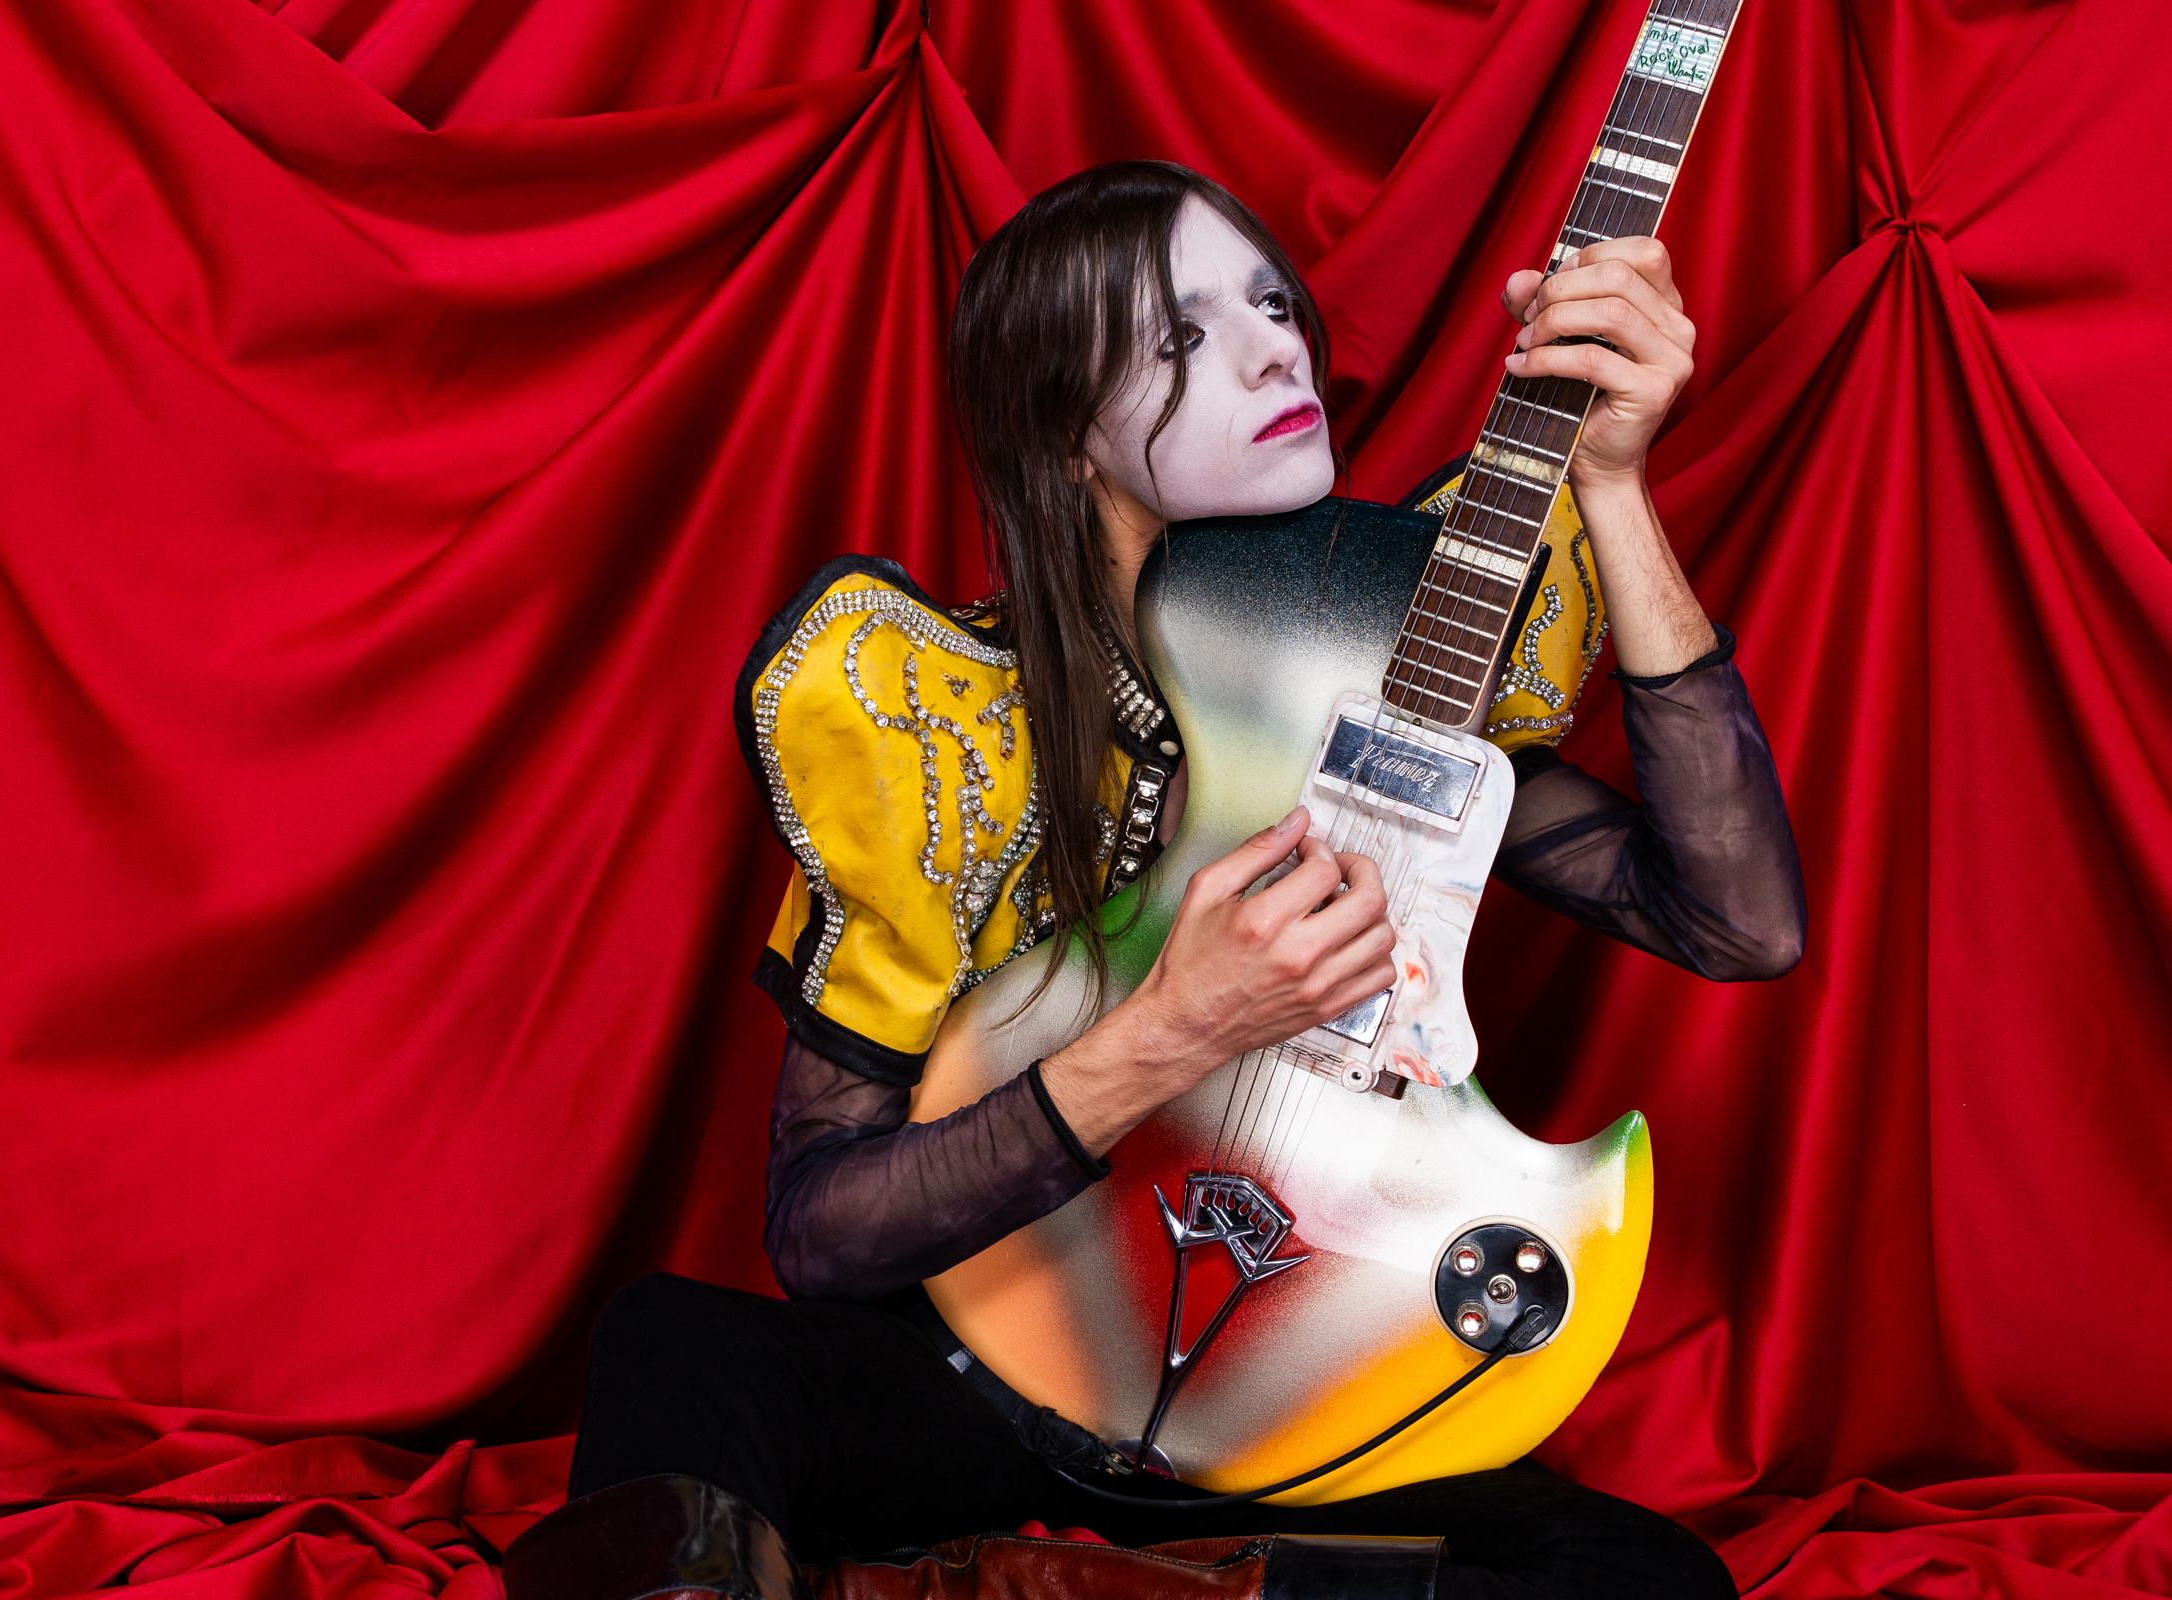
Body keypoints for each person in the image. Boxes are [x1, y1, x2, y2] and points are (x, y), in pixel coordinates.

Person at [508, 160, 1804, 1599]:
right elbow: (820, 1232)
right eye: (1177, 338)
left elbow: (1735, 919)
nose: (1270, 349)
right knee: (673, 1345)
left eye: (1266, 301)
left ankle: (993, 1587)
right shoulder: (941, 727)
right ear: (1064, 433)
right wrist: (1171, 1034)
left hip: (1321, 1403)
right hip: (984, 1380)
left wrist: (1613, 485)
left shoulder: (1385, 672)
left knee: (1641, 1586)